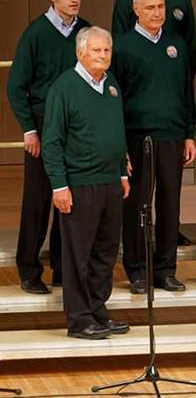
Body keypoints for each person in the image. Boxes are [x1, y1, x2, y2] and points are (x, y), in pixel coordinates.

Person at [42, 26, 130, 339]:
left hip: (109, 182)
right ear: (81, 53)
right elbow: (51, 141)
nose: (103, 56)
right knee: (78, 254)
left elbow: (117, 131)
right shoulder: (63, 88)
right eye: (97, 51)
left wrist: (121, 171)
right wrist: (59, 185)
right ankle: (79, 318)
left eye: (107, 50)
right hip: (79, 185)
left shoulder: (111, 85)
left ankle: (97, 310)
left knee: (105, 252)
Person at [7, 0, 89, 294]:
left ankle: (61, 267)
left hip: (76, 128)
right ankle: (28, 269)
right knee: (39, 201)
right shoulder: (36, 33)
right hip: (43, 128)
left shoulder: (86, 33)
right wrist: (29, 130)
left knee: (70, 201)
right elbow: (16, 87)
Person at [112, 0, 195, 294]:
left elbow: (186, 91)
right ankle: (136, 269)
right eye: (150, 7)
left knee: (170, 205)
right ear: (135, 9)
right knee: (137, 205)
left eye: (160, 6)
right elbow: (114, 100)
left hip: (172, 136)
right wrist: (121, 148)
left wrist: (189, 133)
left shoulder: (177, 44)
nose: (157, 12)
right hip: (137, 138)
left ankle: (165, 269)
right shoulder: (122, 47)